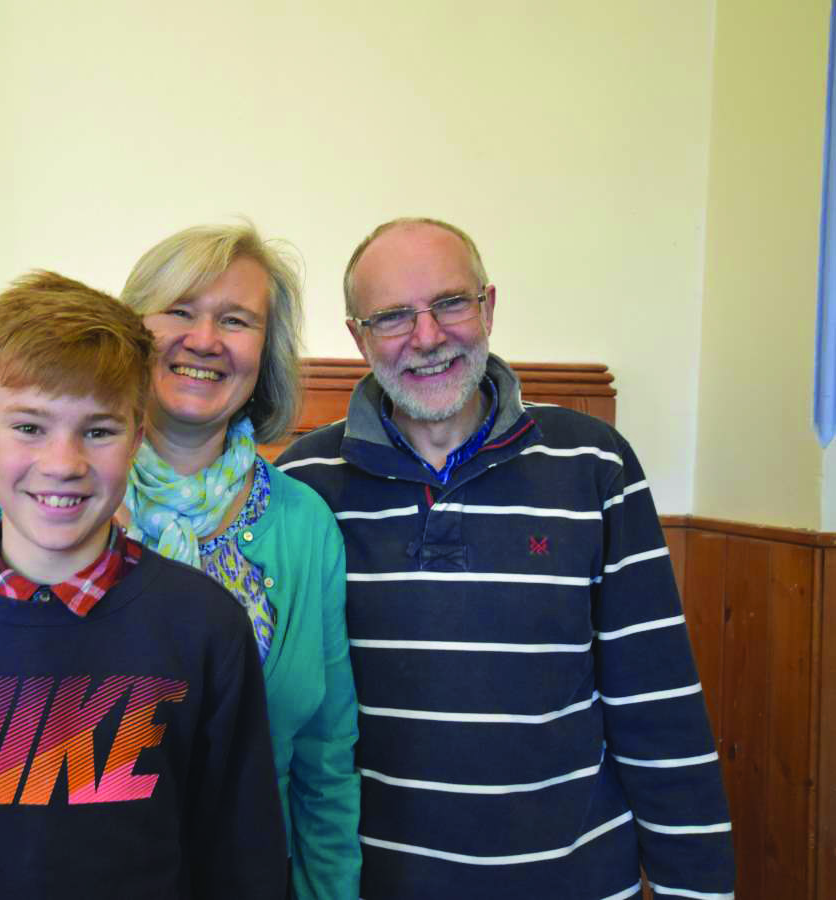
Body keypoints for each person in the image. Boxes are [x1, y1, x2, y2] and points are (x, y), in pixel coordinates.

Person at [277, 218, 735, 899]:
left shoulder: (594, 464)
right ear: (358, 337)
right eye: (393, 316)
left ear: (488, 307)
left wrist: (697, 890)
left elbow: (657, 702)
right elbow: (296, 731)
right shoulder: (304, 486)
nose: (427, 337)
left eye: (451, 303)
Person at [0, 272, 288, 899]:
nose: (64, 464)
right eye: (30, 428)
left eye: (98, 431)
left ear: (137, 439)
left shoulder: (206, 628)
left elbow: (243, 868)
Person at [0, 224, 361, 898]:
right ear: (130, 332)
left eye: (236, 320)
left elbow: (326, 762)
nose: (205, 339)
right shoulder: (36, 496)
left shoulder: (305, 524)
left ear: (264, 352)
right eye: (180, 310)